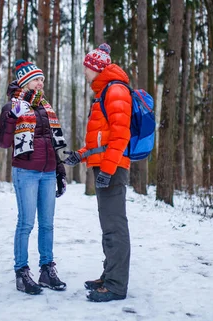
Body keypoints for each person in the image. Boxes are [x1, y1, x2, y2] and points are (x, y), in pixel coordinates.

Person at [63, 43, 132, 302]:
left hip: (111, 168)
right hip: (104, 165)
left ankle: (116, 286)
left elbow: (120, 134)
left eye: (87, 67)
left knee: (115, 227)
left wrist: (108, 168)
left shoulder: (115, 91)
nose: (84, 72)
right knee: (108, 228)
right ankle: (109, 276)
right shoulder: (105, 92)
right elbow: (100, 139)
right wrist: (80, 154)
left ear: (97, 68)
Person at [0, 59, 68, 295]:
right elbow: (3, 143)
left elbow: (53, 140)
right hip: (26, 171)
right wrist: (10, 116)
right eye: (37, 79)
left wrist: (60, 170)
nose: (41, 84)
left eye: (42, 80)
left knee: (47, 224)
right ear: (26, 82)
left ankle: (47, 270)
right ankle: (21, 272)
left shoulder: (46, 107)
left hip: (47, 173)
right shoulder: (14, 106)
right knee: (26, 223)